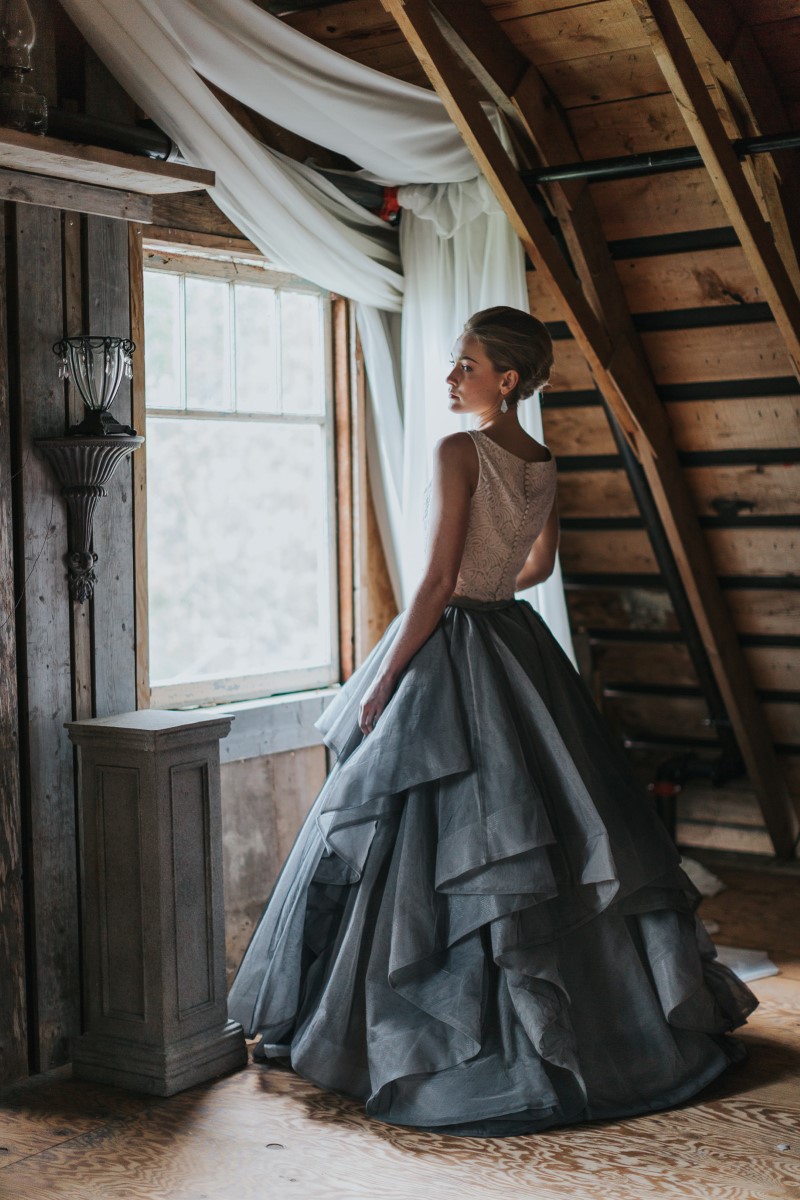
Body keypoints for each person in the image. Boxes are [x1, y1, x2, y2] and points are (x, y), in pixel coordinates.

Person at [228, 306, 758, 1137]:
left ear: (505, 381)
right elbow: (538, 563)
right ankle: (602, 1032)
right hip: (515, 638)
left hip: (455, 641)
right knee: (537, 837)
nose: (450, 378)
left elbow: (436, 584)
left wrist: (385, 679)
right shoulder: (541, 460)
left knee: (434, 837)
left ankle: (402, 1040)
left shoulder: (459, 451)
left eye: (464, 364)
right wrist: (497, 572)